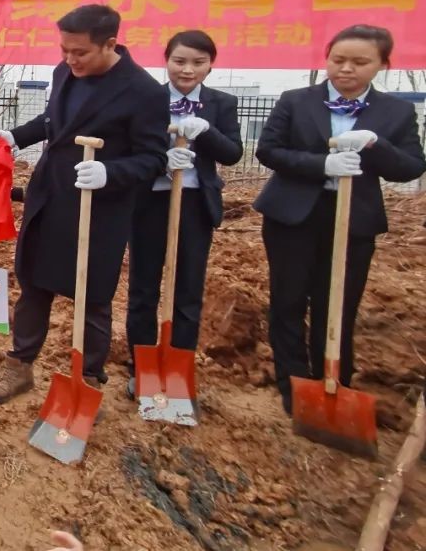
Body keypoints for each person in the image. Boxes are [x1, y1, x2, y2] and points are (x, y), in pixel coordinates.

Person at [0, 4, 168, 405]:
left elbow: (154, 157)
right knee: (33, 283)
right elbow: (53, 122)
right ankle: (20, 364)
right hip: (50, 194)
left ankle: (87, 379)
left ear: (110, 44)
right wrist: (14, 136)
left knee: (92, 297)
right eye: (64, 50)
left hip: (99, 208)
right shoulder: (64, 72)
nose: (70, 59)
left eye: (80, 52)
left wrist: (110, 172)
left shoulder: (144, 92)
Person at [254, 24, 426, 415]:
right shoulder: (296, 101)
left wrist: (375, 145)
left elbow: (411, 166)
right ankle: (293, 384)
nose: (346, 69)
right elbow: (269, 150)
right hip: (293, 216)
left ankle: (333, 382)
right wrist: (322, 164)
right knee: (288, 301)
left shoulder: (396, 111)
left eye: (360, 62)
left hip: (354, 220)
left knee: (339, 304)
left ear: (382, 64)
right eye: (338, 60)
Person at [125, 30, 243, 397]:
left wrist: (206, 131)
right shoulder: (147, 100)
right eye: (179, 61)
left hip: (194, 205)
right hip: (150, 203)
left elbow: (232, 153)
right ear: (166, 61)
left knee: (188, 289)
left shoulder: (222, 103)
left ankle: (178, 368)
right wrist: (162, 161)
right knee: (143, 289)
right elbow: (130, 148)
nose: (187, 70)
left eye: (197, 62)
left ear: (210, 65)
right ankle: (141, 367)